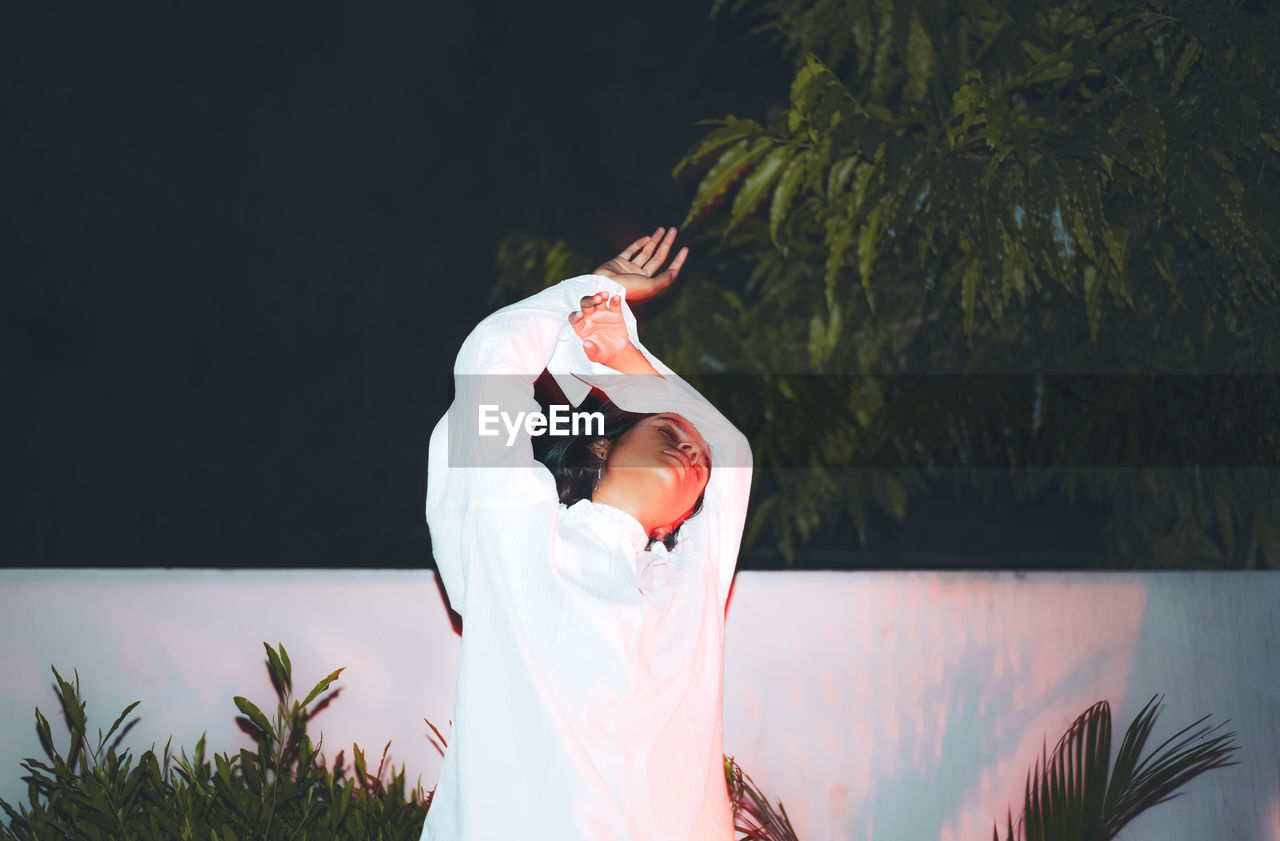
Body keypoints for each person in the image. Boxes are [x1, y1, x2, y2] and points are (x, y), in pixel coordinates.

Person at [421, 227, 752, 840]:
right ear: (604, 445)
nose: (691, 448)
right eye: (668, 430)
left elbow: (730, 451)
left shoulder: (687, 585)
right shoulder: (521, 532)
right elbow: (489, 366)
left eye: (695, 456)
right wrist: (596, 295)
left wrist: (624, 363)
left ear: (687, 516)